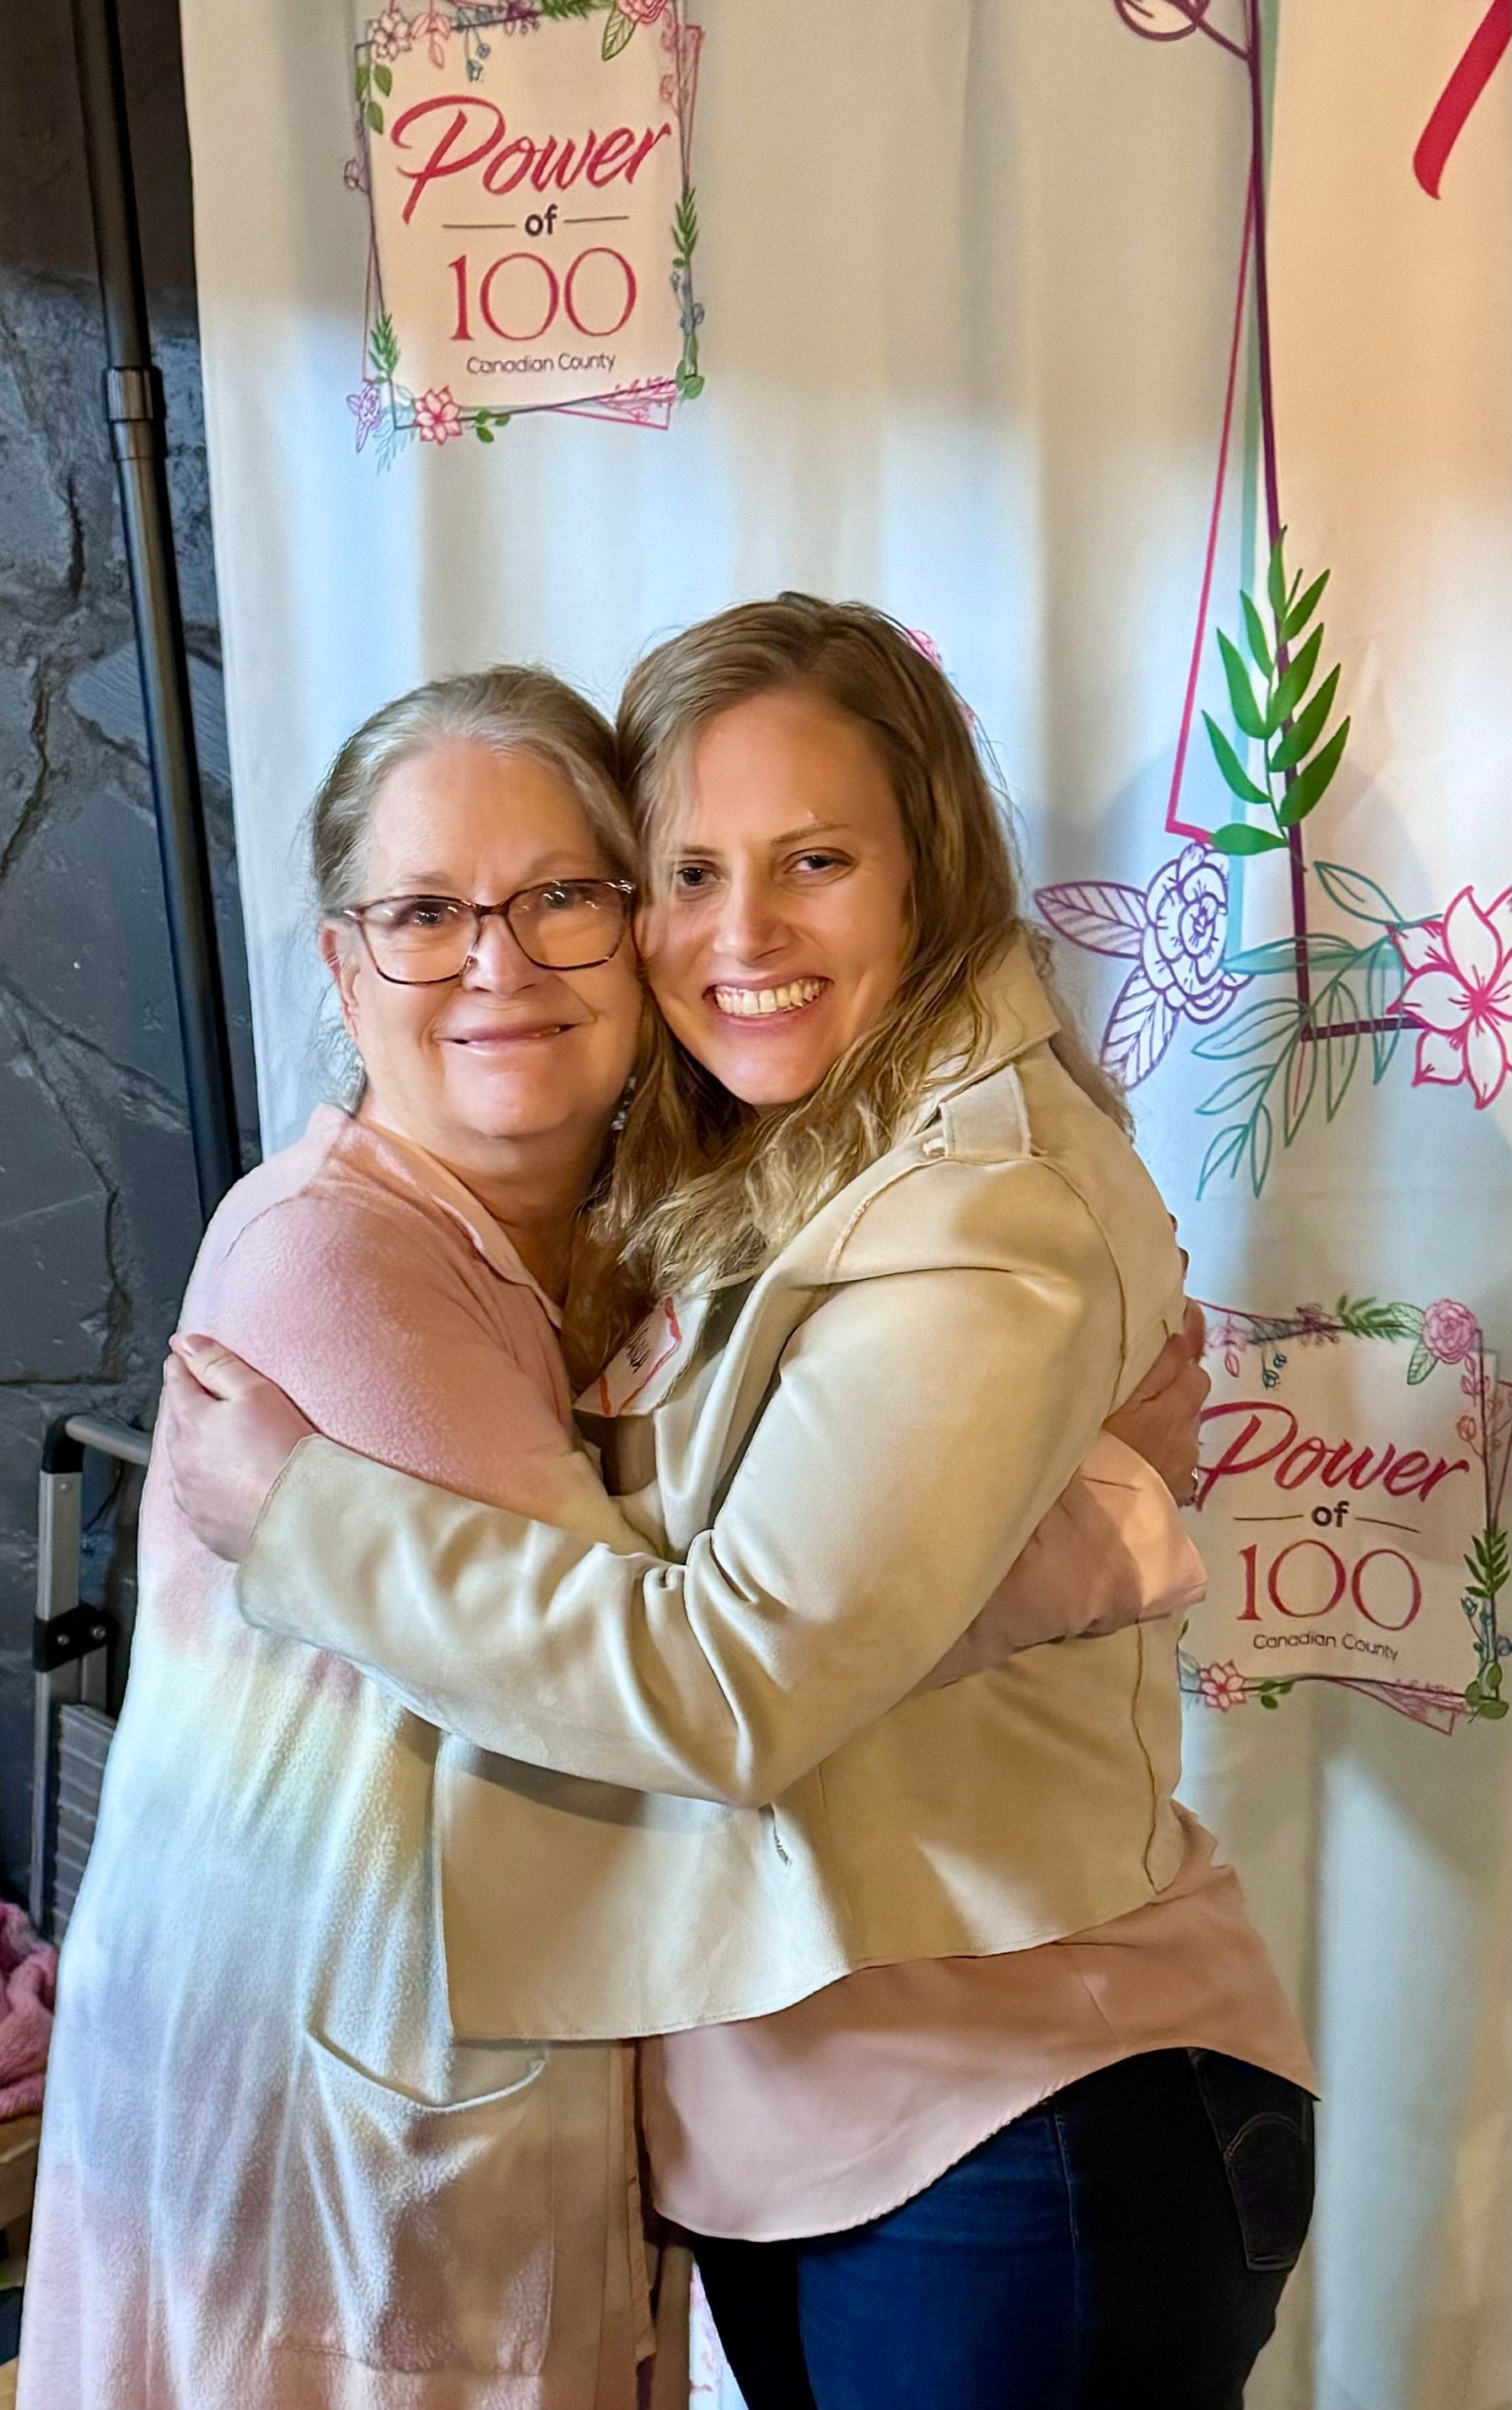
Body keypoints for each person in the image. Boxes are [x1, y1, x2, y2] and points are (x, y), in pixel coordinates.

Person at [162, 600, 1316, 2410]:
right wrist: (1079, 1546)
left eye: (817, 862)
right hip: (833, 2140)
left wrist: (305, 1521)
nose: (741, 934)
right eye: (685, 871)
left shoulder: (973, 1211)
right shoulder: (771, 1164)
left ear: (932, 871)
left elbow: (724, 1681)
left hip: (1009, 2119)